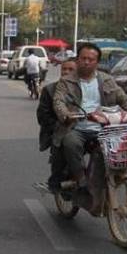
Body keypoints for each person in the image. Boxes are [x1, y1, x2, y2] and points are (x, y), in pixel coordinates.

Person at [53, 43, 127, 190]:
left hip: (104, 126)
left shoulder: (106, 79)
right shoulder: (66, 81)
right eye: (83, 58)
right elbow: (58, 101)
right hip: (77, 127)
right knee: (70, 143)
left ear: (97, 62)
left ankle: (118, 172)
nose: (87, 62)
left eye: (91, 59)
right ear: (78, 60)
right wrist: (66, 115)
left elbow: (121, 96)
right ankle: (80, 178)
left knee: (124, 143)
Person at [36, 58, 77, 192]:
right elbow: (43, 115)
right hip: (58, 130)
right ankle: (56, 181)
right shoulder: (50, 89)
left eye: (71, 69)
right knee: (62, 145)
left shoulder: (84, 88)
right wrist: (59, 126)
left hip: (82, 129)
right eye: (64, 69)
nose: (66, 72)